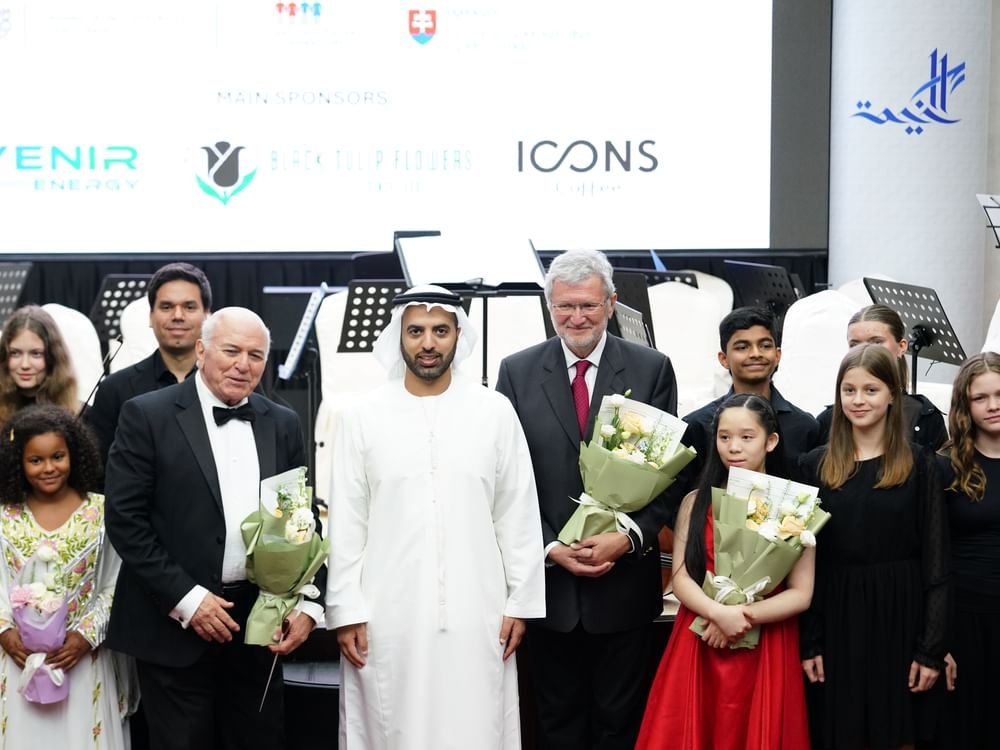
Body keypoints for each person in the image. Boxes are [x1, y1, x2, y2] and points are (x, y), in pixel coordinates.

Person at [327, 285, 546, 749]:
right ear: (399, 336)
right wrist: (345, 610)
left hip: (479, 609)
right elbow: (347, 522)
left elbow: (517, 512)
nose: (428, 343)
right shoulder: (363, 415)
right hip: (386, 613)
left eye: (440, 331)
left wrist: (520, 603)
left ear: (458, 335)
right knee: (391, 725)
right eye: (416, 331)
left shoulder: (494, 411)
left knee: (476, 724)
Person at [103, 307, 323, 750]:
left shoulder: (283, 422)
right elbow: (126, 521)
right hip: (171, 624)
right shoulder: (146, 414)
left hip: (259, 625)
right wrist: (188, 599)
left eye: (255, 355)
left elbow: (299, 520)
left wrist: (307, 603)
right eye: (231, 351)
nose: (243, 364)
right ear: (202, 351)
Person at [495, 249, 678, 749]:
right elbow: (505, 480)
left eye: (589, 306)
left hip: (623, 588)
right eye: (565, 306)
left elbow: (670, 475)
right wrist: (550, 546)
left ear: (611, 304)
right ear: (549, 306)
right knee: (556, 726)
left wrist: (628, 538)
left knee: (621, 727)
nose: (576, 317)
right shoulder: (516, 372)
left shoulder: (651, 369)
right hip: (548, 589)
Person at [636, 393, 814, 749]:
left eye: (747, 437)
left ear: (771, 441)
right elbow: (681, 577)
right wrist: (718, 614)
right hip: (700, 635)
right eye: (724, 437)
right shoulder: (695, 501)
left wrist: (740, 615)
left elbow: (801, 593)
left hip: (766, 640)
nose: (734, 447)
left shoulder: (794, 506)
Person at [799, 343, 948, 750]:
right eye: (849, 390)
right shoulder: (814, 466)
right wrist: (810, 642)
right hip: (838, 617)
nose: (858, 400)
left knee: (899, 733)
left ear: (892, 395)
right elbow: (806, 563)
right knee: (840, 732)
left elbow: (937, 563)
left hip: (901, 615)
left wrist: (931, 649)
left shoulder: (921, 464)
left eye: (871, 389)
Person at [0, 405, 131, 749]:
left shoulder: (102, 513)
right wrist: (5, 632)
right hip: (17, 660)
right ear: (18, 462)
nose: (48, 468)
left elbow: (117, 583)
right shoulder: (4, 516)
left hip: (81, 659)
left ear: (74, 454)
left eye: (57, 456)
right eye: (36, 460)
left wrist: (86, 635)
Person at [87, 262, 212, 464]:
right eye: (166, 307)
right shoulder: (114, 390)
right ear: (151, 317)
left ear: (207, 316)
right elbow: (100, 469)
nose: (177, 316)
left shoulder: (231, 381)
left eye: (189, 307)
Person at [937, 352, 1000, 749]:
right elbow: (932, 556)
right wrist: (938, 643)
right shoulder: (945, 467)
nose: (993, 405)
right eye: (981, 397)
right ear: (965, 404)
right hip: (964, 620)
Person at [683, 306, 820, 483]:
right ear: (724, 359)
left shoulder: (805, 426)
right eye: (742, 347)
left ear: (777, 355)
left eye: (765, 346)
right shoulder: (698, 425)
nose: (755, 354)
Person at [816, 303, 947, 449]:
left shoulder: (923, 418)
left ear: (902, 346)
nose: (865, 350)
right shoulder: (829, 420)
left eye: (877, 342)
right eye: (854, 345)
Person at [0, 305, 79, 424]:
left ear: (53, 357)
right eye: (15, 353)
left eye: (36, 354)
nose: (25, 365)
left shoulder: (77, 415)